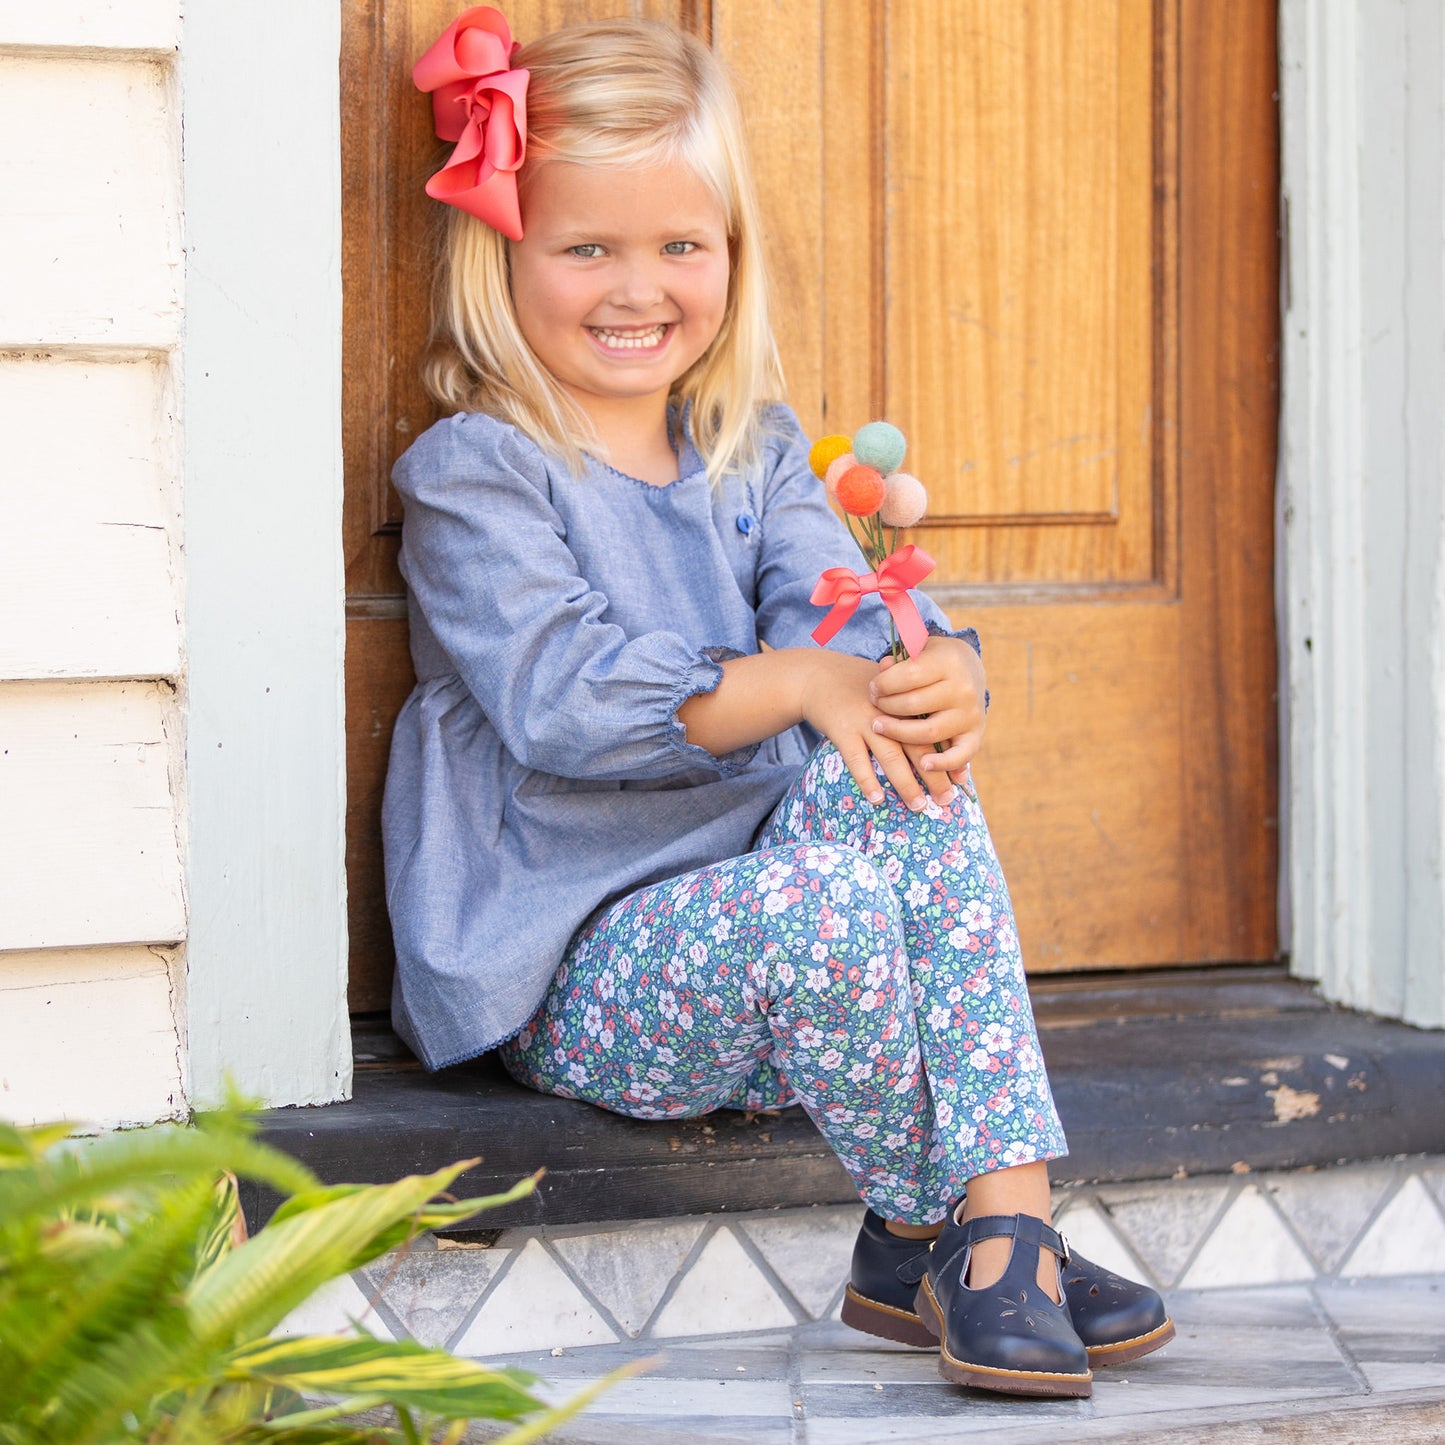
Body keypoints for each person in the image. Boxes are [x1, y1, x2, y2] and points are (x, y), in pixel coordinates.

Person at [384, 7, 1173, 1399]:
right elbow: (564, 701)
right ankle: (930, 1227)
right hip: (585, 968)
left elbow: (841, 619)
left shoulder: (747, 447)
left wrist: (934, 670)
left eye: (681, 244)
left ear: (732, 256)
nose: (640, 288)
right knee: (825, 889)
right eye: (587, 248)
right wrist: (808, 680)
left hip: (806, 972)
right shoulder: (476, 474)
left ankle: (1001, 1212)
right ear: (500, 252)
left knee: (904, 758)